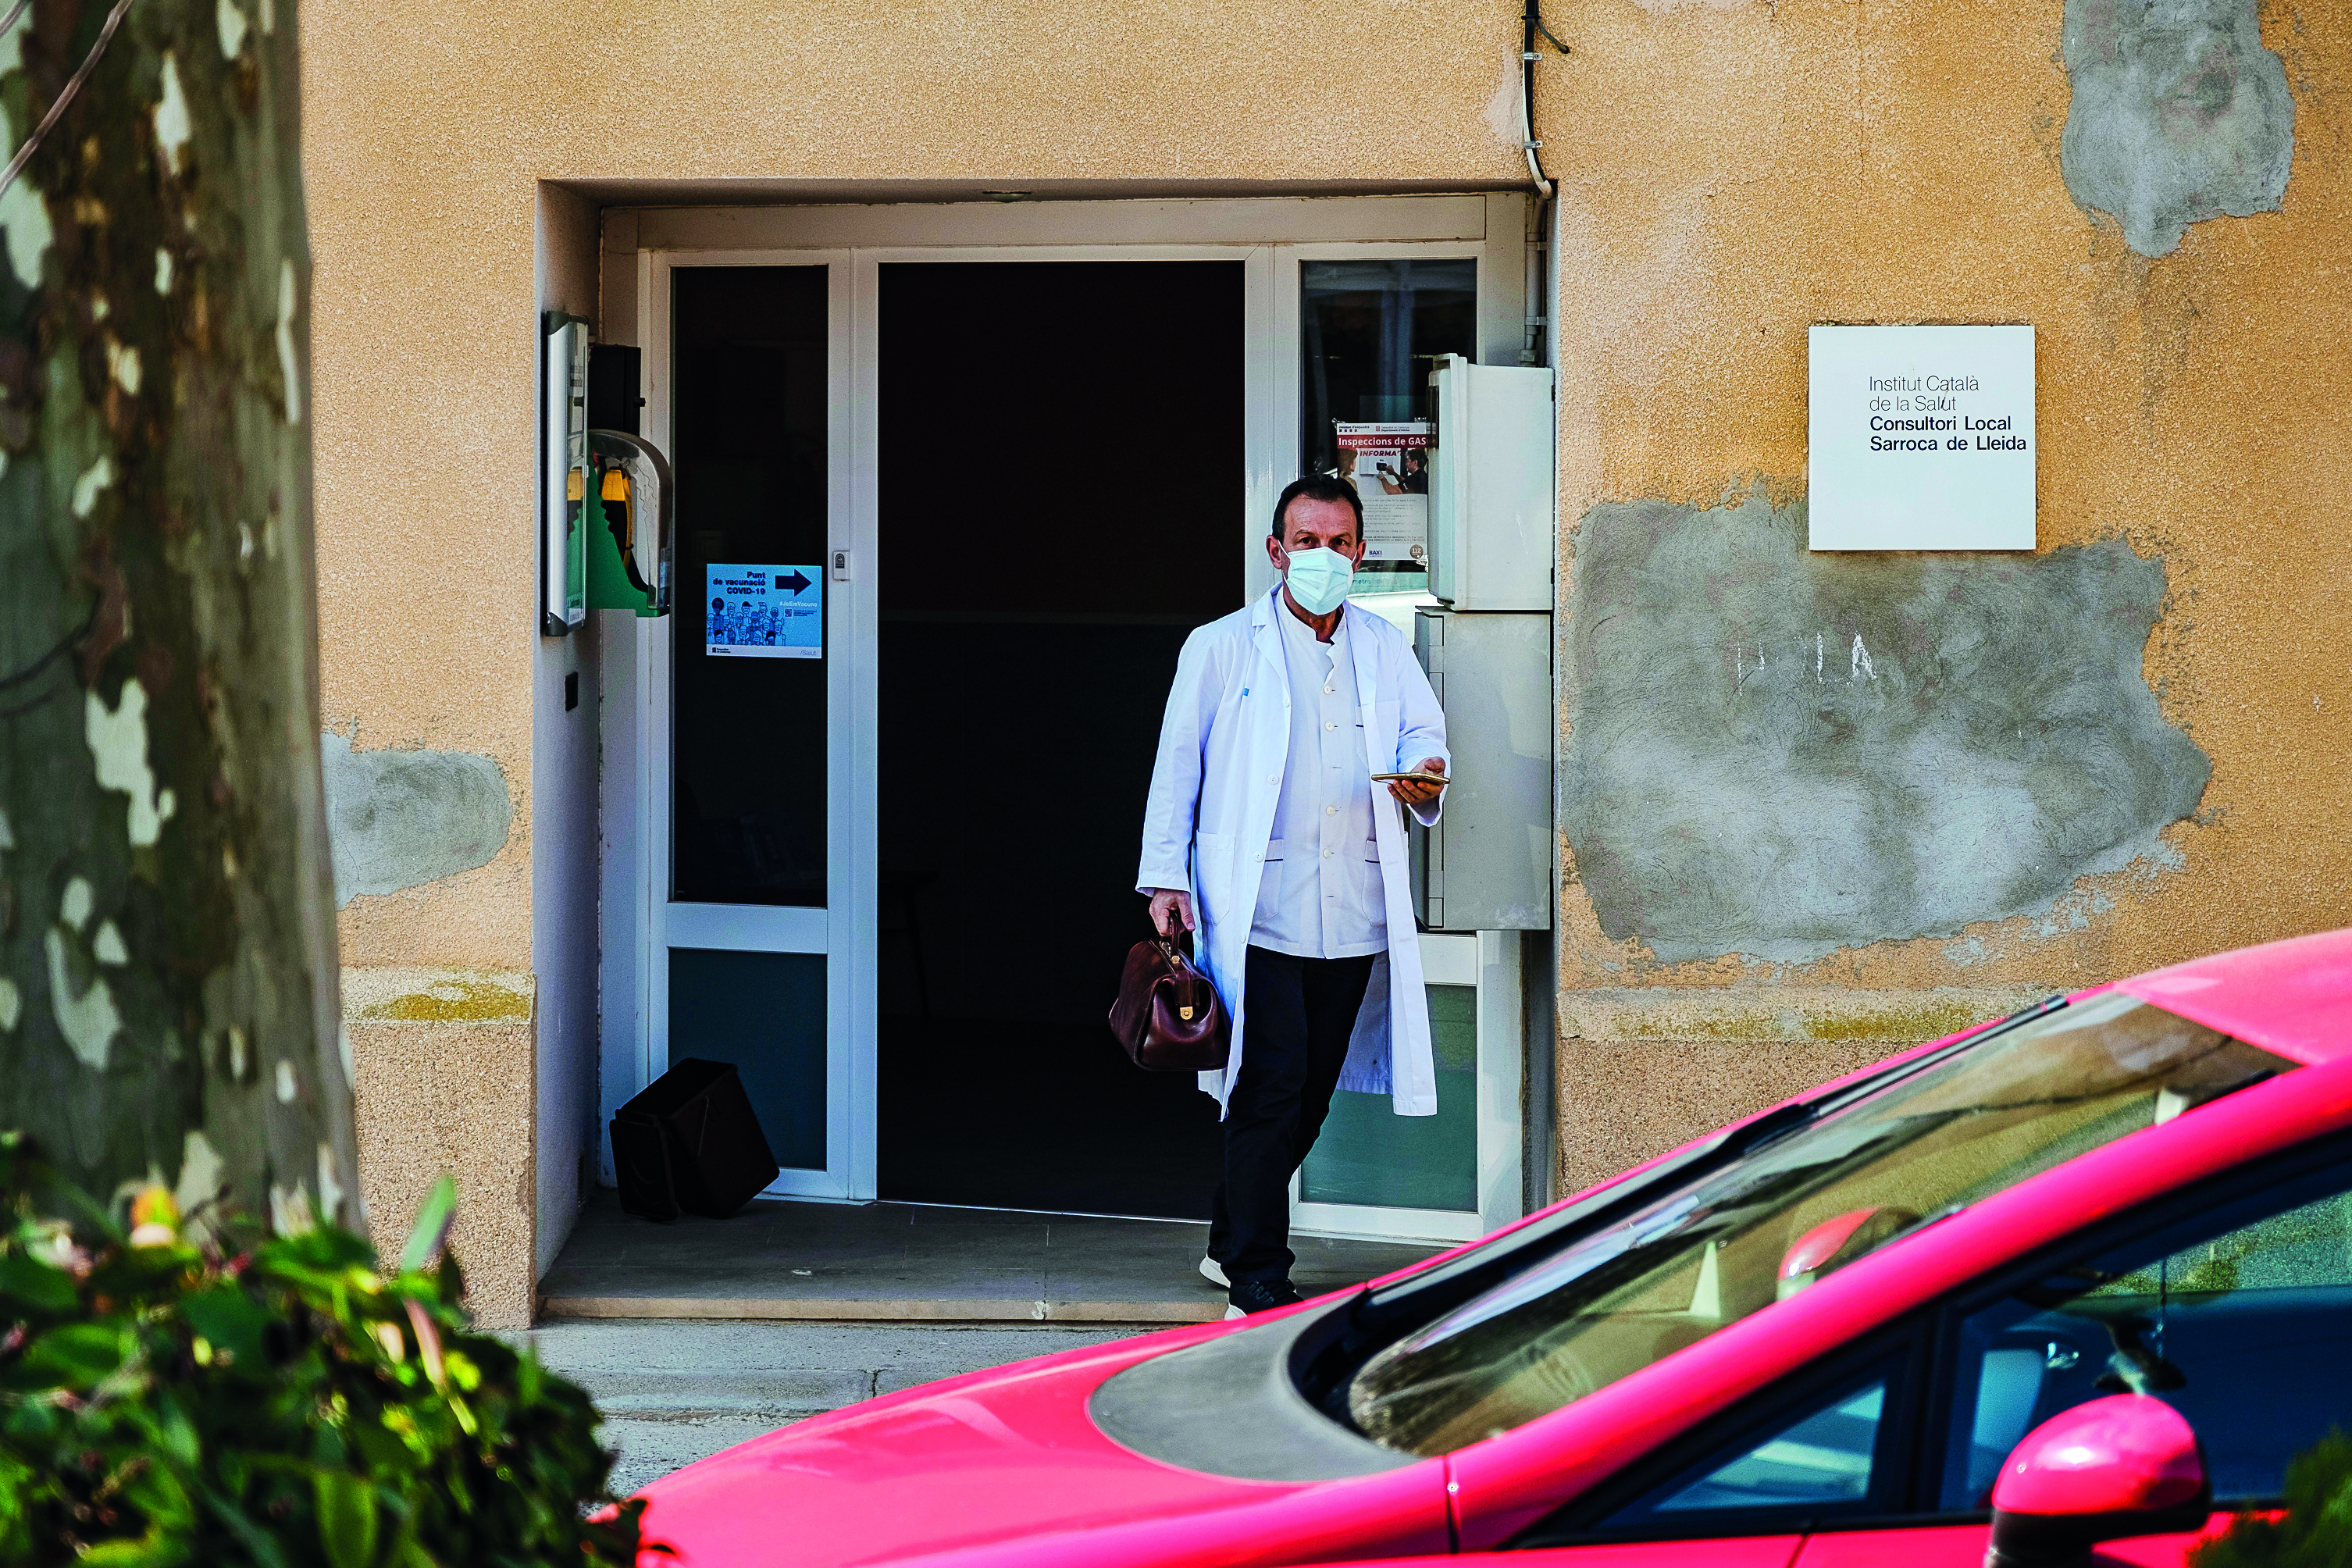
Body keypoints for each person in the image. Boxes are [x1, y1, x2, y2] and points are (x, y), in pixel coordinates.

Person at [1137, 475, 1450, 1318]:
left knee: (1310, 1091)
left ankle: (1228, 1234)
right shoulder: (1221, 646)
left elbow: (1424, 735)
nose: (1322, 557)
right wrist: (1165, 875)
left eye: (1338, 542)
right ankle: (1258, 1273)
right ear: (1276, 552)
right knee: (1270, 1084)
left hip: (1352, 906)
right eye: (1305, 542)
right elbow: (1179, 767)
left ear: (1359, 552)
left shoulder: (1385, 648)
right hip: (1258, 908)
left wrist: (1426, 775)